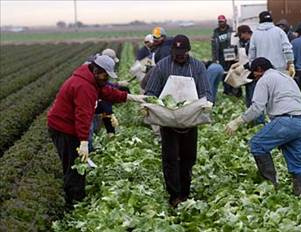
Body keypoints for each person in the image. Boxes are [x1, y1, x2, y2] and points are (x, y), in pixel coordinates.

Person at [48, 55, 146, 208]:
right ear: (96, 70)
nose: (106, 78)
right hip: (63, 128)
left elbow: (108, 93)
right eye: (105, 75)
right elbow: (83, 116)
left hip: (69, 127)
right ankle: (74, 203)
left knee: (79, 165)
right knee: (74, 166)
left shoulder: (93, 81)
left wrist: (130, 97)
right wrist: (84, 142)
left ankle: (76, 197)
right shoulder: (84, 86)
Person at [225, 57, 301, 196]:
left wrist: (238, 121)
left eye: (254, 73)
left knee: (257, 144)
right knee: (296, 160)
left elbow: (257, 107)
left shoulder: (265, 79)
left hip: (287, 120)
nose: (254, 77)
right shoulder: (286, 77)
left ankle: (270, 186)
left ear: (259, 69)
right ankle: (299, 195)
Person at [145, 35, 213, 207]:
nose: (179, 55)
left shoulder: (197, 67)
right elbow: (151, 92)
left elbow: (206, 91)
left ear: (188, 51)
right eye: (176, 52)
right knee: (170, 158)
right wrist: (153, 105)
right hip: (168, 119)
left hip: (189, 119)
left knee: (188, 157)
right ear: (172, 51)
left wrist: (205, 104)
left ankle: (185, 192)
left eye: (182, 52)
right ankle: (174, 194)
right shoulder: (162, 66)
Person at [249, 11, 295, 77]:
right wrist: (290, 63)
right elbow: (287, 49)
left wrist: (252, 66)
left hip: (262, 70)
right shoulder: (279, 31)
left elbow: (252, 52)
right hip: (279, 68)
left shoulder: (255, 34)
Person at [236, 25, 264, 124]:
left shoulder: (253, 42)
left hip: (255, 76)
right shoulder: (249, 42)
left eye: (240, 35)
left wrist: (243, 67)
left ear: (245, 33)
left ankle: (259, 124)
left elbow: (254, 61)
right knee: (249, 101)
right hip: (250, 76)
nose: (240, 38)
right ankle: (253, 122)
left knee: (255, 101)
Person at [211, 14, 241, 97]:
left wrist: (237, 55)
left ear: (225, 21)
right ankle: (227, 91)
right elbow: (214, 46)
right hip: (221, 57)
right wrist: (215, 59)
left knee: (233, 73)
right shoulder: (216, 32)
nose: (221, 23)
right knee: (224, 74)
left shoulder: (231, 31)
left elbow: (236, 43)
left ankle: (236, 91)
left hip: (231, 55)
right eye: (219, 22)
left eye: (222, 21)